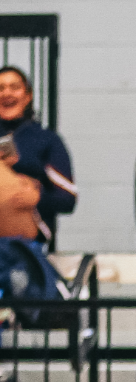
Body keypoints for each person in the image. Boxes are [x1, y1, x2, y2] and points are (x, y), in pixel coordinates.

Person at [0, 67, 74, 247]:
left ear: (27, 96)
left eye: (14, 87)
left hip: (25, 240)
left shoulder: (46, 140)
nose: (6, 93)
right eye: (0, 88)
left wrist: (38, 197)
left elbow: (68, 199)